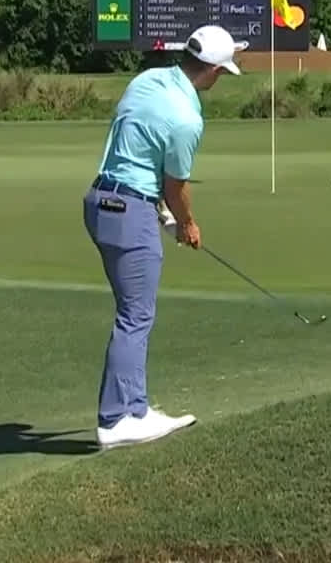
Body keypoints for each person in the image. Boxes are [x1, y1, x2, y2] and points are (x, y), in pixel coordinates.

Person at [82, 23, 245, 449]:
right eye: (223, 71)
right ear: (211, 71)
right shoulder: (188, 117)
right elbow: (176, 186)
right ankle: (117, 419)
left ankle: (135, 407)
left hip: (101, 200)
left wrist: (161, 215)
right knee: (135, 317)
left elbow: (135, 151)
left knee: (133, 311)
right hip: (129, 210)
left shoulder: (147, 79)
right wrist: (187, 223)